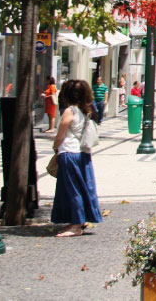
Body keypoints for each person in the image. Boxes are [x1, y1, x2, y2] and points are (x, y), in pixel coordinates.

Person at [51, 79, 102, 237]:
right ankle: (78, 220)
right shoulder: (87, 110)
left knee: (73, 189)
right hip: (82, 154)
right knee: (82, 188)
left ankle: (76, 225)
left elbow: (60, 135)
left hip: (69, 153)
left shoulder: (70, 111)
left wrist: (55, 147)